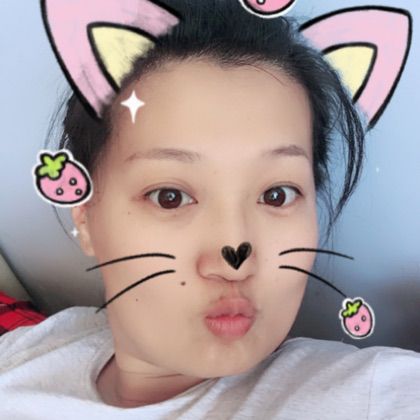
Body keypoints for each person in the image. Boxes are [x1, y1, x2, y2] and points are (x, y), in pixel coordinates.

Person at [1, 0, 419, 418]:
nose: (234, 257)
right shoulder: (30, 350)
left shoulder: (371, 393)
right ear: (85, 217)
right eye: (170, 196)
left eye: (277, 194)